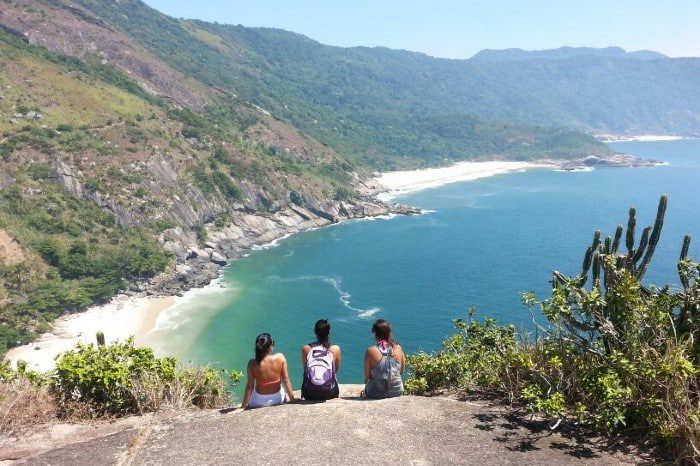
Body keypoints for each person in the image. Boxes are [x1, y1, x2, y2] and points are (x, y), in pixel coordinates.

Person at [242, 333, 295, 409]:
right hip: (278, 399)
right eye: (272, 343)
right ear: (270, 347)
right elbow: (286, 380)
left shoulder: (252, 363)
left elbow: (250, 386)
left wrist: (243, 406)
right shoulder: (280, 357)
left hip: (258, 401)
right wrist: (292, 399)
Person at [363, 319, 405, 399]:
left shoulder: (371, 351)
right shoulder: (398, 349)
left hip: (375, 393)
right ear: (390, 333)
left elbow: (367, 377)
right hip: (397, 391)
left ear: (375, 334)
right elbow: (402, 371)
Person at [301, 319, 341, 400]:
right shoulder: (335, 349)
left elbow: (306, 370)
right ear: (328, 332)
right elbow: (335, 371)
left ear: (315, 332)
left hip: (309, 393)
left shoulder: (306, 349)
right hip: (330, 392)